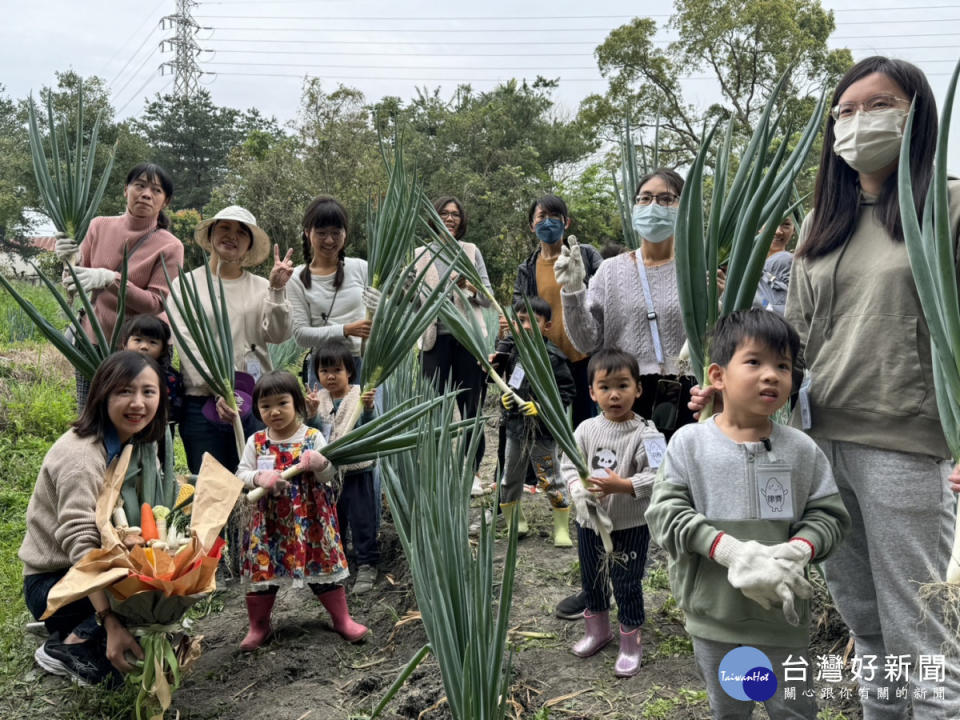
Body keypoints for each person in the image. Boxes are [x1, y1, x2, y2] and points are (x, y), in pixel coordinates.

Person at [692, 57, 960, 718]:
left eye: (878, 105)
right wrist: (732, 393)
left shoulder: (949, 207)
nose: (857, 121)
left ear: (916, 114)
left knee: (921, 628)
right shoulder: (820, 227)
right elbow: (795, 347)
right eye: (844, 110)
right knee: (864, 620)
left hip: (907, 444)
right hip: (819, 446)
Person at [647, 310, 850, 718]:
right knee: (731, 709)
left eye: (783, 366)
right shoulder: (690, 444)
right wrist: (726, 550)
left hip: (781, 620)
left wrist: (800, 549)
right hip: (715, 620)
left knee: (794, 710)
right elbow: (665, 514)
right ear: (718, 376)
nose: (771, 375)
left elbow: (829, 515)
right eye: (754, 362)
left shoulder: (801, 451)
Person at [20, 351, 168, 685]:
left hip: (105, 568)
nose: (138, 403)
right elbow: (81, 549)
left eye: (148, 391)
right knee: (112, 675)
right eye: (124, 392)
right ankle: (69, 642)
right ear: (102, 394)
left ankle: (83, 630)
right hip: (57, 582)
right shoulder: (82, 456)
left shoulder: (138, 446)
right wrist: (110, 621)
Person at [557, 169, 695, 439]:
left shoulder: (696, 272)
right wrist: (573, 291)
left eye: (666, 199)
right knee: (627, 478)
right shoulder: (610, 271)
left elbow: (719, 340)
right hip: (624, 393)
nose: (653, 206)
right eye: (645, 198)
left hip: (687, 394)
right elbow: (587, 342)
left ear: (684, 207)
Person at [235, 370, 368, 651]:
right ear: (258, 409)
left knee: (321, 567)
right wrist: (259, 478)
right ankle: (259, 626)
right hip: (268, 523)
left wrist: (320, 463)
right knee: (263, 573)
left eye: (282, 403)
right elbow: (241, 473)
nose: (274, 412)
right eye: (265, 406)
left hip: (310, 521)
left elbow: (329, 475)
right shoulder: (256, 441)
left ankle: (341, 619)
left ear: (296, 402)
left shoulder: (312, 436)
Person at [170, 205, 295, 474]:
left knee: (259, 486)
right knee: (212, 489)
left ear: (249, 245)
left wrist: (276, 290)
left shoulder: (262, 286)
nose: (232, 236)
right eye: (224, 227)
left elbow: (279, 334)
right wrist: (221, 390)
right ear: (212, 235)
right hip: (203, 401)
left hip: (258, 402)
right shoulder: (186, 286)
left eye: (241, 232)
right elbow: (187, 345)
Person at [563, 348, 664, 678]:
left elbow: (661, 474)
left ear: (638, 388)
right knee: (592, 579)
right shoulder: (585, 430)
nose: (614, 394)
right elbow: (567, 466)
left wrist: (623, 485)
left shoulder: (647, 432)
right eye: (605, 387)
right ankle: (597, 631)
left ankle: (631, 642)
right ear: (591, 391)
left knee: (627, 583)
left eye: (623, 385)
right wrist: (579, 491)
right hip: (589, 523)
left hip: (630, 524)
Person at [55, 163, 184, 410]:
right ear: (126, 190)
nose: (146, 194)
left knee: (138, 418)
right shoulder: (99, 226)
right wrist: (69, 261)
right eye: (140, 185)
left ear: (165, 201)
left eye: (156, 190)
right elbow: (75, 282)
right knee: (92, 413)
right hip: (94, 339)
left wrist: (110, 279)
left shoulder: (170, 246)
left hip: (144, 346)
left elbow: (156, 303)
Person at [418, 196, 495, 493]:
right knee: (434, 409)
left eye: (455, 214)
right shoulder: (420, 255)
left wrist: (470, 286)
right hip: (433, 341)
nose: (450, 218)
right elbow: (414, 301)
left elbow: (487, 297)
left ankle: (472, 474)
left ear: (462, 220)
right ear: (434, 217)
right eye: (444, 213)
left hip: (467, 339)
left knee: (470, 407)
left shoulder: (471, 252)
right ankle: (436, 473)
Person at [488, 297, 575, 547]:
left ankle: (561, 527)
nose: (525, 326)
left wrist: (541, 408)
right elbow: (510, 384)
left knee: (550, 477)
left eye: (532, 321)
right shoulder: (513, 352)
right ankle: (516, 521)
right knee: (510, 476)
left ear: (546, 326)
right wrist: (506, 399)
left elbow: (566, 393)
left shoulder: (553, 357)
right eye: (520, 320)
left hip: (543, 432)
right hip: (515, 428)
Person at [514, 193, 602, 426]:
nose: (548, 221)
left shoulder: (585, 255)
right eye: (542, 216)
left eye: (555, 216)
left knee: (585, 423)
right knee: (548, 423)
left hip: (584, 355)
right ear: (532, 225)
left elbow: (605, 294)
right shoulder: (527, 269)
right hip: (548, 359)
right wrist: (502, 352)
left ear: (566, 222)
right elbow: (519, 313)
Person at [305, 339, 379, 595]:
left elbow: (371, 427)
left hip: (357, 471)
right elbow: (313, 434)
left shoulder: (359, 395)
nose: (330, 376)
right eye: (324, 371)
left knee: (362, 519)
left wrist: (369, 408)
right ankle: (342, 563)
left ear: (349, 371)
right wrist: (311, 413)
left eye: (337, 370)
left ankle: (367, 563)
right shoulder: (319, 398)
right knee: (335, 520)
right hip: (328, 476)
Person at [288, 195, 372, 388]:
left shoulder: (362, 268)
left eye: (336, 232)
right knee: (324, 419)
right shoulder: (296, 278)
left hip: (363, 364)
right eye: (322, 233)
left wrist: (381, 307)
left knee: (370, 418)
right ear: (308, 233)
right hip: (324, 369)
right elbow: (301, 335)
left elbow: (379, 321)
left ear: (345, 233)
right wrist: (345, 330)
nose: (329, 240)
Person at [118, 315, 183, 429]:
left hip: (159, 430)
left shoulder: (169, 378)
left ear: (163, 349)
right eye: (137, 340)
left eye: (152, 342)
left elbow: (176, 408)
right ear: (125, 344)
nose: (144, 346)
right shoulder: (116, 373)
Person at [753, 216, 795, 315]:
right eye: (771, 222)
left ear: (794, 231)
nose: (778, 231)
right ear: (759, 227)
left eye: (786, 224)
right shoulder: (739, 267)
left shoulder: (790, 262)